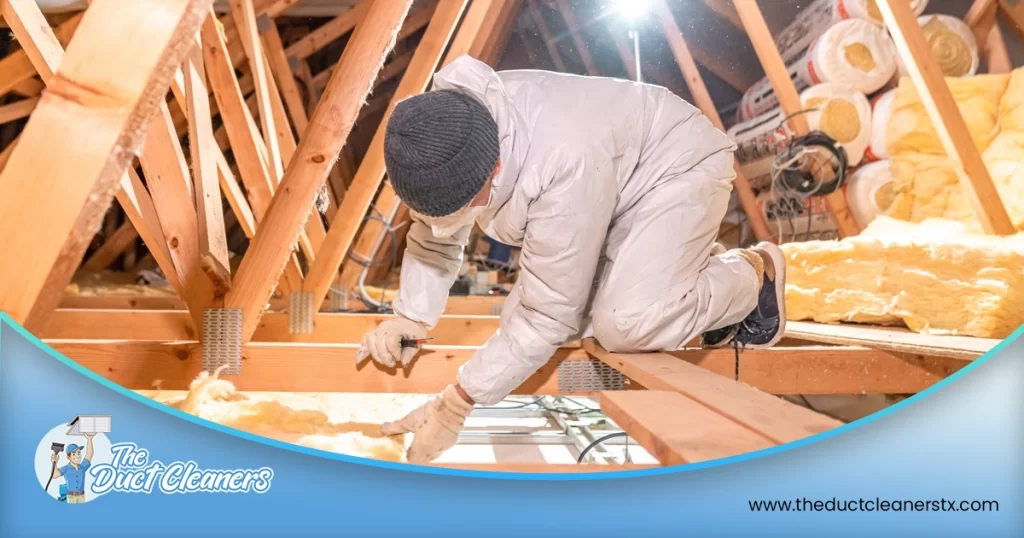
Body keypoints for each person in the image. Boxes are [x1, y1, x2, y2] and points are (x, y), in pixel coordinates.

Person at [359, 55, 786, 463]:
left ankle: (753, 273)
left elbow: (547, 316)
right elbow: (436, 237)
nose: (462, 217)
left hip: (674, 166)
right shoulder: (438, 139)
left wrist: (457, 402)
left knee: (626, 324)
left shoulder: (559, 161)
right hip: (611, 184)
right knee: (519, 329)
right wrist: (411, 317)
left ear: (493, 168)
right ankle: (675, 269)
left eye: (468, 205)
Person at [50, 434, 94, 503]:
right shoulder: (66, 468)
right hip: (71, 497)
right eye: (73, 454)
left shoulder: (82, 467)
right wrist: (54, 462)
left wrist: (89, 439)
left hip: (81, 496)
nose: (77, 456)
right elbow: (54, 475)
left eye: (79, 453)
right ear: (68, 457)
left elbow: (89, 454)